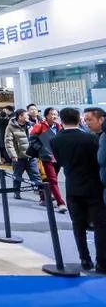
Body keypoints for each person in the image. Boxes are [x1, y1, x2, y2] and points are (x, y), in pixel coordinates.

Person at [51, 108, 106, 273]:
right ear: (79, 120)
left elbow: (59, 161)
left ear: (61, 120)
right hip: (94, 186)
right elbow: (98, 161)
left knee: (78, 225)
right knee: (100, 225)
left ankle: (84, 259)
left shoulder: (55, 140)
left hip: (72, 186)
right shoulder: (91, 138)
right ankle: (102, 262)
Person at [30, 107, 66, 213]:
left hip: (57, 158)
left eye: (56, 114)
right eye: (52, 114)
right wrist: (41, 149)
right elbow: (32, 140)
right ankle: (60, 203)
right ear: (46, 115)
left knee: (50, 179)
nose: (54, 116)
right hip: (46, 157)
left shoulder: (59, 127)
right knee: (53, 180)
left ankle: (43, 198)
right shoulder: (39, 126)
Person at [5, 108, 43, 201]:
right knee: (17, 176)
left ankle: (42, 195)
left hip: (31, 156)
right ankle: (16, 191)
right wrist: (13, 155)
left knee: (36, 175)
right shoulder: (11, 127)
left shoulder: (30, 125)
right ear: (20, 117)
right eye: (26, 115)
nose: (28, 117)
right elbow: (8, 142)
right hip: (19, 157)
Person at [83, 108, 106, 206]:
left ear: (101, 119)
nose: (87, 123)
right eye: (85, 120)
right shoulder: (88, 136)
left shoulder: (103, 136)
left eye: (89, 120)